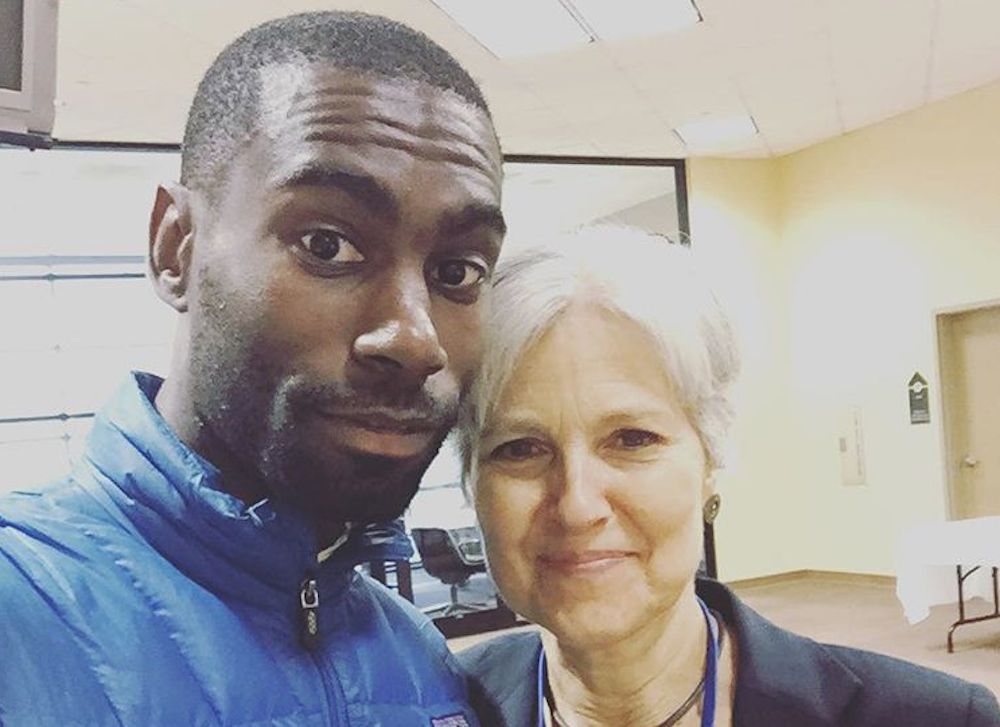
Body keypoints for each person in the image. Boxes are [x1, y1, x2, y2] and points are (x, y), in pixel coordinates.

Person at [0, 11, 505, 727]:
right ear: (176, 248)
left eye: (456, 270)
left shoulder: (424, 665)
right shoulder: (19, 610)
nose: (416, 339)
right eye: (327, 244)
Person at [456, 225, 1000, 727]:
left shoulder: (938, 719)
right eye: (520, 449)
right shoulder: (435, 704)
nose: (576, 505)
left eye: (632, 439)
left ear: (710, 464)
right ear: (472, 485)